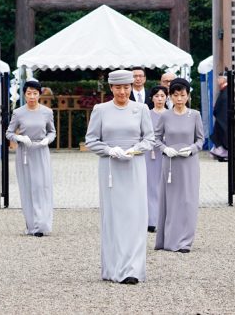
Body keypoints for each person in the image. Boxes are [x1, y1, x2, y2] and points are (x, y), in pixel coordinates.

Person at [85, 69, 155, 285]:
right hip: (110, 168)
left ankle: (133, 269)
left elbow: (150, 138)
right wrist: (109, 150)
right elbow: (91, 140)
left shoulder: (141, 109)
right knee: (115, 218)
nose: (123, 91)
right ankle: (114, 267)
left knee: (135, 217)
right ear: (111, 88)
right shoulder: (101, 109)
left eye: (126, 87)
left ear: (132, 87)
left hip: (134, 165)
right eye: (118, 87)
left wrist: (134, 150)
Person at [155, 78, 204, 253]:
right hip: (170, 164)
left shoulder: (195, 115)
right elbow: (156, 138)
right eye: (175, 95)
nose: (179, 99)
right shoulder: (165, 116)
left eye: (182, 95)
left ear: (188, 95)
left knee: (188, 201)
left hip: (189, 163)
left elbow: (201, 140)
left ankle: (185, 242)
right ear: (170, 97)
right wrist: (164, 149)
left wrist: (191, 149)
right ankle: (169, 239)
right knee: (172, 202)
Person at [6, 80, 56, 237]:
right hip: (25, 153)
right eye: (29, 93)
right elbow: (9, 132)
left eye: (35, 93)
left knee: (42, 186)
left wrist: (47, 140)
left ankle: (43, 223)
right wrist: (20, 139)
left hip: (41, 151)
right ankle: (32, 225)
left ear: (40, 94)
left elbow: (52, 132)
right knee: (28, 187)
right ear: (24, 95)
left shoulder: (47, 112)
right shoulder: (18, 113)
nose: (32, 96)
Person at [145, 85, 168, 233]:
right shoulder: (146, 114)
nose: (159, 99)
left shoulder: (170, 114)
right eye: (157, 96)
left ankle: (164, 219)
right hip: (150, 153)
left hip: (166, 153)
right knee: (150, 185)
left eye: (162, 96)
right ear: (152, 98)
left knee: (164, 185)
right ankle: (151, 219)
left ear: (167, 98)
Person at [210, 74, 229, 161]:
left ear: (224, 79)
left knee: (223, 135)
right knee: (218, 135)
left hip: (223, 118)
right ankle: (221, 153)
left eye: (219, 78)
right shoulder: (224, 90)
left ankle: (224, 153)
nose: (218, 80)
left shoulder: (226, 90)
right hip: (220, 118)